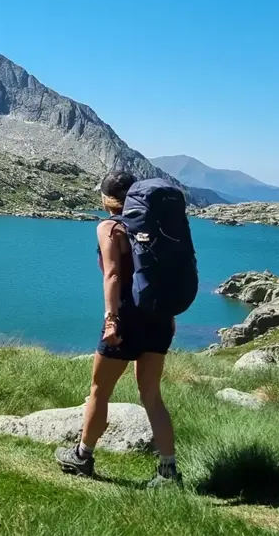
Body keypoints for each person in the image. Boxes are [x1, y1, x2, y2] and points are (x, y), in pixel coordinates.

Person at [55, 171, 182, 486]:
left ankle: (82, 456)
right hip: (158, 317)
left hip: (126, 318)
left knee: (99, 391)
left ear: (107, 198)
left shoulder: (110, 227)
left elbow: (112, 275)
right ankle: (168, 472)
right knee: (152, 395)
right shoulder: (154, 227)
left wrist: (111, 320)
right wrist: (168, 315)